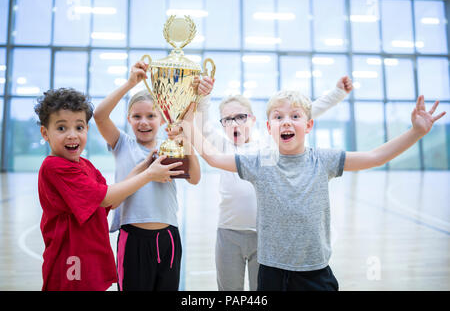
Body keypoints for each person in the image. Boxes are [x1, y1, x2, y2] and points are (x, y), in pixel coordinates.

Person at [179, 90, 445, 291]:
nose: (286, 122)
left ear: (308, 126)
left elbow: (375, 156)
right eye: (278, 117)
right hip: (271, 273)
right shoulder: (259, 161)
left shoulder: (324, 159)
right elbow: (212, 156)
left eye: (295, 117)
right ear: (269, 127)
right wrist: (189, 121)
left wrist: (416, 133)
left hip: (315, 273)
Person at [187, 77, 352, 291]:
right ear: (222, 124)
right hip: (228, 233)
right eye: (227, 119)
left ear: (254, 120)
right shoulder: (221, 146)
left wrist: (337, 93)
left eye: (240, 117)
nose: (234, 123)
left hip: (263, 238)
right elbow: (201, 124)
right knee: (229, 290)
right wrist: (203, 96)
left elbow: (307, 111)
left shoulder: (267, 145)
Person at [35, 88, 177, 291]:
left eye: (79, 127)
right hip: (70, 259)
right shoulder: (54, 167)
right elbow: (105, 197)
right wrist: (149, 175)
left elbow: (111, 200)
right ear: (45, 133)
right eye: (61, 128)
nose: (72, 135)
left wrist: (143, 167)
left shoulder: (85, 165)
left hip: (91, 255)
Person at [93, 60, 213, 291]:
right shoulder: (122, 144)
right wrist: (130, 84)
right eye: (137, 117)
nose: (144, 122)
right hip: (133, 239)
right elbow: (99, 115)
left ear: (162, 118)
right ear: (128, 119)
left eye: (151, 116)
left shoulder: (170, 147)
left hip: (169, 237)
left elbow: (195, 178)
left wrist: (186, 143)